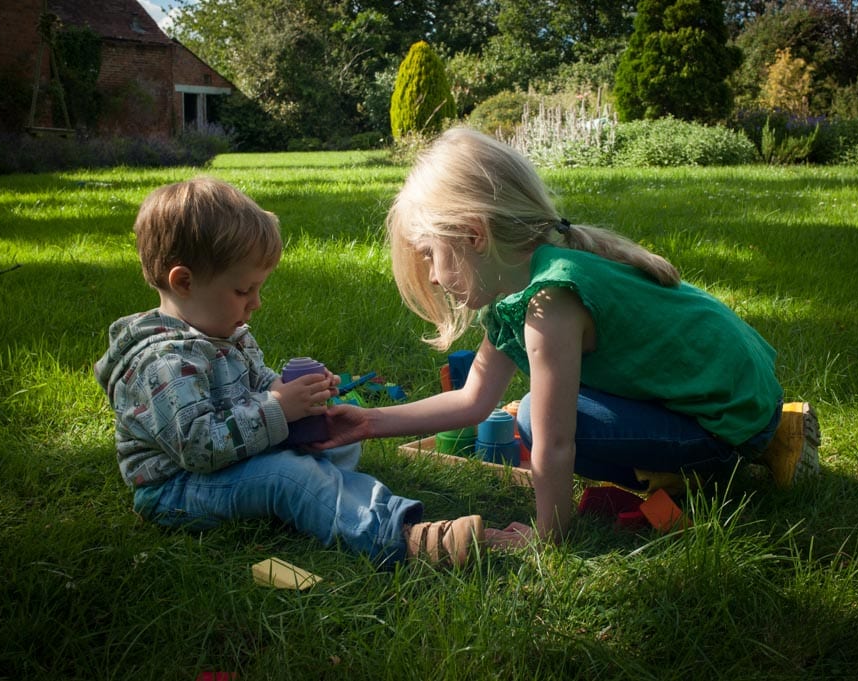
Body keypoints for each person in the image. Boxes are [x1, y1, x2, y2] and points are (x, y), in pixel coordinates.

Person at [320, 127, 820, 547]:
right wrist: (365, 421)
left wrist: (547, 533)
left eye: (429, 253)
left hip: (724, 423)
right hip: (740, 400)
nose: (430, 275)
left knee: (538, 417)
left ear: (474, 236)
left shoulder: (548, 301)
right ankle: (770, 435)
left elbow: (557, 445)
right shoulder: (531, 283)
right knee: (539, 408)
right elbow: (473, 400)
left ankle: (720, 464)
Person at [94, 177, 483, 567]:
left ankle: (315, 495)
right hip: (179, 488)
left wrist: (300, 395)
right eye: (243, 291)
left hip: (230, 459)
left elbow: (261, 385)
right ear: (184, 282)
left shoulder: (227, 333)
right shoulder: (162, 363)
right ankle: (398, 537)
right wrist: (279, 408)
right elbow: (199, 447)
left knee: (337, 441)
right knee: (285, 475)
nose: (256, 304)